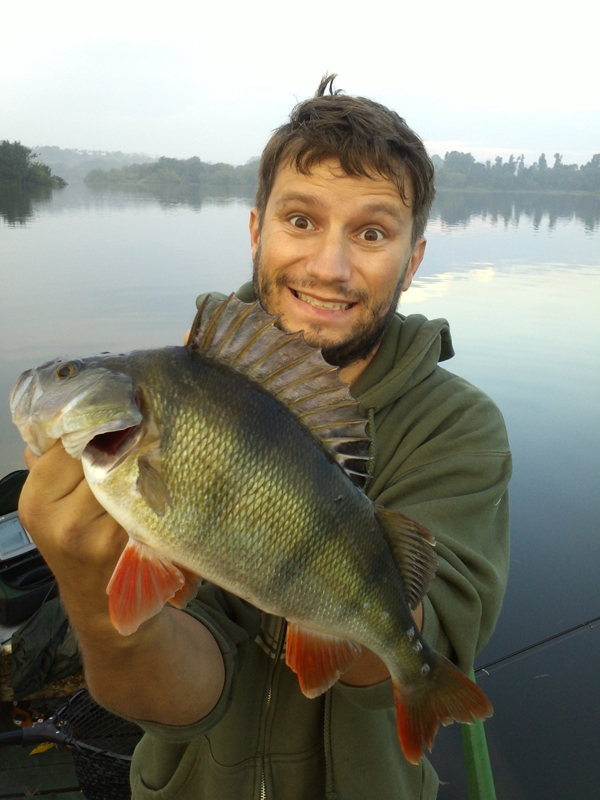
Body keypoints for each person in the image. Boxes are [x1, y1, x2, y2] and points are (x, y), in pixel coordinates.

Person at [18, 75, 511, 799]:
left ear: (412, 260)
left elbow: (420, 644)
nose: (329, 267)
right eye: (301, 220)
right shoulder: (193, 392)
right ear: (257, 231)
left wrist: (364, 613)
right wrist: (93, 593)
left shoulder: (458, 429)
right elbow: (176, 698)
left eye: (371, 233)